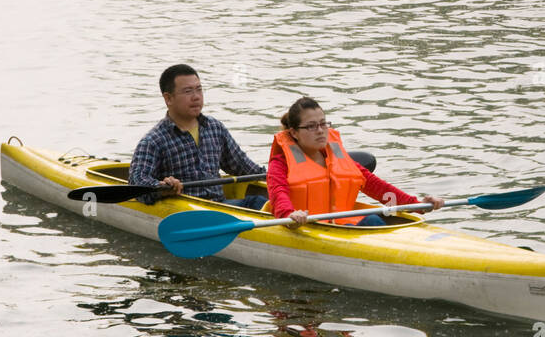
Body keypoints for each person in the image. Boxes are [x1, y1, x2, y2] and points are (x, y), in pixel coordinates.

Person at [267, 97, 444, 228]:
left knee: (374, 220)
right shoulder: (280, 163)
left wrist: (419, 205)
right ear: (295, 132)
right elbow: (278, 194)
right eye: (311, 126)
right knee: (373, 221)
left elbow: (379, 189)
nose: (320, 131)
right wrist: (289, 216)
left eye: (323, 124)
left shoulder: (336, 156)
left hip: (343, 226)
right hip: (304, 226)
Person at [129, 64, 267, 207]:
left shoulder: (214, 128)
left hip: (220, 206)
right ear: (168, 98)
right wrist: (162, 187)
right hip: (186, 212)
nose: (196, 97)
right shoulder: (153, 140)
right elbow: (137, 181)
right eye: (188, 91)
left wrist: (276, 176)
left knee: (258, 202)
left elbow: (244, 167)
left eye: (199, 90)